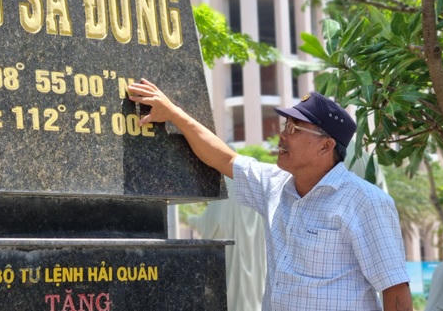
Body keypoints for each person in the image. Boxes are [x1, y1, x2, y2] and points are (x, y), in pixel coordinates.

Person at [127, 79, 412, 311]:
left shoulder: (365, 202)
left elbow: (396, 293)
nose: (282, 136)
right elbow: (222, 158)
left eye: (294, 129)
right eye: (285, 126)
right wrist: (173, 113)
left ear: (325, 147)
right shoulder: (275, 185)